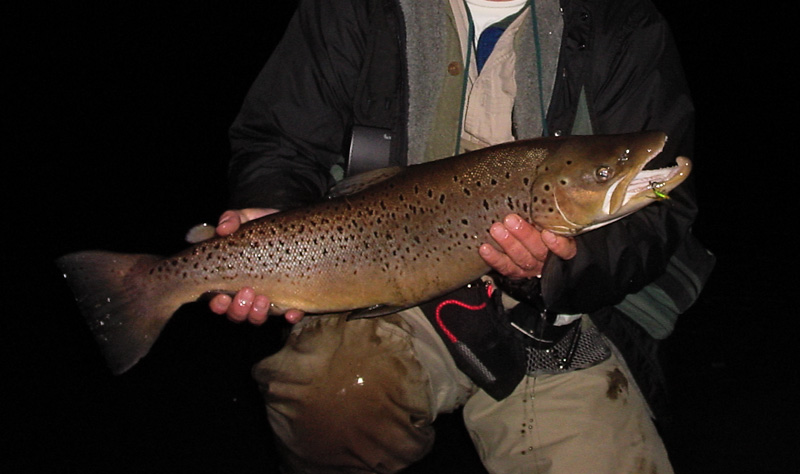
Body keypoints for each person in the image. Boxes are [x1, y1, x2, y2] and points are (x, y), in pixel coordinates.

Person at [208, 0, 714, 472]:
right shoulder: (353, 8)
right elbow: (280, 142)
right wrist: (271, 212)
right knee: (329, 408)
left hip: (565, 313)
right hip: (381, 268)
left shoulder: (622, 20)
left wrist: (555, 269)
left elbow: (664, 210)